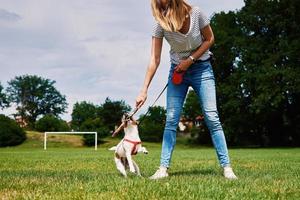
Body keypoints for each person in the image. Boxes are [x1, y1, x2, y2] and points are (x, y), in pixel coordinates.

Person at [135, 0, 237, 180]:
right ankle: (163, 169)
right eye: (160, 7)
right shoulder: (160, 24)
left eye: (165, 6)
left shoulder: (196, 13)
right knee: (171, 119)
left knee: (212, 116)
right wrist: (143, 90)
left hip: (202, 68)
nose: (162, 11)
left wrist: (190, 60)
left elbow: (210, 39)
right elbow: (154, 59)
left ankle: (227, 167)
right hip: (177, 72)